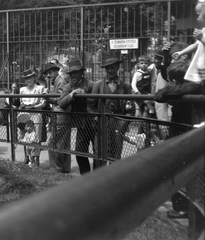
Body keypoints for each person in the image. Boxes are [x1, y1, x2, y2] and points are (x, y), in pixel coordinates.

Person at [154, 60, 203, 219]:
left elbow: (161, 93)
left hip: (185, 134)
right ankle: (184, 206)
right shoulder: (186, 87)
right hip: (182, 134)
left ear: (174, 79)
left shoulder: (193, 88)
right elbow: (159, 95)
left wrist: (172, 88)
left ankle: (184, 207)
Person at [87, 53, 135, 169]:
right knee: (100, 154)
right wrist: (96, 118)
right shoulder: (98, 85)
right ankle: (98, 181)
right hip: (102, 125)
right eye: (108, 68)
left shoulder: (125, 87)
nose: (110, 70)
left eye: (112, 67)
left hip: (119, 126)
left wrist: (124, 123)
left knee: (116, 156)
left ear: (118, 68)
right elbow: (90, 106)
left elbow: (131, 109)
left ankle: (113, 182)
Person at [59, 60, 95, 175]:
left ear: (81, 73)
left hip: (95, 123)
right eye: (71, 73)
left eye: (76, 73)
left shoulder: (90, 84)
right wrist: (72, 94)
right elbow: (62, 103)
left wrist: (85, 95)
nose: (73, 75)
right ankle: (86, 178)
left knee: (98, 152)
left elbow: (97, 101)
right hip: (82, 125)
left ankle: (99, 178)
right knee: (80, 153)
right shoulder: (68, 87)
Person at [43, 62, 71, 173]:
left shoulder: (60, 81)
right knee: (64, 143)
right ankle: (65, 169)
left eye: (50, 72)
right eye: (47, 73)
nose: (48, 75)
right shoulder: (55, 81)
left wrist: (48, 98)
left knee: (53, 143)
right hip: (59, 115)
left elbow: (62, 99)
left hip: (61, 115)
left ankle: (55, 169)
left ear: (56, 71)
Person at [172, 1, 205, 85]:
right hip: (200, 70)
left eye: (198, 15)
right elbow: (196, 45)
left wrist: (201, 38)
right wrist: (181, 52)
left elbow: (201, 42)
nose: (197, 18)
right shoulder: (204, 30)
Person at [19, 68, 46, 166]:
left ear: (34, 78)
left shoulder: (40, 88)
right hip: (24, 115)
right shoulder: (22, 90)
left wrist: (34, 106)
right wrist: (22, 105)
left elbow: (43, 103)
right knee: (25, 136)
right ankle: (27, 157)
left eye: (30, 78)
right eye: (26, 78)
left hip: (36, 114)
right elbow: (21, 102)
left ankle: (36, 160)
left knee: (36, 138)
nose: (28, 80)